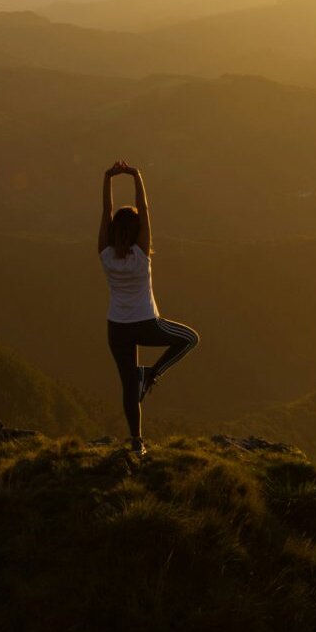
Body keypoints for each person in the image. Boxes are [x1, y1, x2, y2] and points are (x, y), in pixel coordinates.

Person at [99, 161, 200, 456]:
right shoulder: (142, 254)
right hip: (146, 323)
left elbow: (106, 212)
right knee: (190, 339)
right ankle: (152, 374)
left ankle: (136, 441)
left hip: (116, 328)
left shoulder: (105, 254)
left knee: (129, 387)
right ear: (137, 230)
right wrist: (136, 175)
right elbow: (145, 210)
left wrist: (107, 178)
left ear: (115, 229)